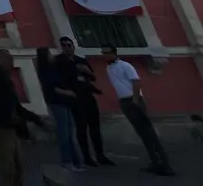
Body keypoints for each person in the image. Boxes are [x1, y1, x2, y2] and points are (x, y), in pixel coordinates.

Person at [0, 49, 43, 186]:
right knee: (9, 169)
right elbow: (3, 106)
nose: (12, 65)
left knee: (16, 167)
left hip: (8, 128)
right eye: (10, 61)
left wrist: (36, 119)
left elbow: (15, 106)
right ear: (2, 60)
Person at [103, 46, 174, 176]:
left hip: (134, 100)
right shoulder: (109, 68)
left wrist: (135, 100)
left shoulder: (125, 65)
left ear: (113, 53)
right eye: (103, 53)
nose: (105, 55)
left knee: (149, 132)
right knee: (142, 133)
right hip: (124, 101)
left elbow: (136, 82)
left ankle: (164, 164)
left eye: (107, 53)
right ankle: (154, 161)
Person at [56, 35, 112, 167]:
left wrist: (86, 70)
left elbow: (92, 78)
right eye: (63, 45)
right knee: (81, 129)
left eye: (69, 45)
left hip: (88, 97)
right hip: (75, 99)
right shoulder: (59, 61)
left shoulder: (81, 61)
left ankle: (100, 155)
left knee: (95, 128)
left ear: (73, 47)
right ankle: (86, 156)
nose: (66, 48)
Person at [36, 47, 83, 171]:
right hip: (57, 102)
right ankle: (67, 161)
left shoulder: (53, 68)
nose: (52, 56)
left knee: (69, 131)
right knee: (64, 133)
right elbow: (51, 88)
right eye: (49, 54)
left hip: (63, 102)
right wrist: (67, 92)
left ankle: (75, 161)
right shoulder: (45, 71)